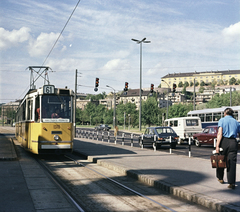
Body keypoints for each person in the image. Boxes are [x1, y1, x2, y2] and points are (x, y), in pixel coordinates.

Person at [215, 107, 240, 189]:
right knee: (232, 163)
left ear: (225, 113)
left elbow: (220, 133)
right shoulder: (236, 122)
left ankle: (220, 178)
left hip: (224, 142)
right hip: (233, 142)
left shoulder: (222, 120)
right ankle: (231, 182)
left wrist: (217, 146)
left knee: (221, 159)